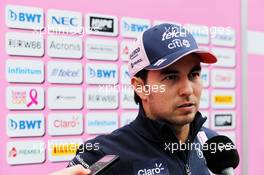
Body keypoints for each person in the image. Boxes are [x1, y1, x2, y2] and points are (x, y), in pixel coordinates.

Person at [55, 23, 219, 175]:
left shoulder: (213, 144)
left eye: (194, 75)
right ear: (141, 87)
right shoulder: (102, 153)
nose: (188, 90)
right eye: (171, 77)